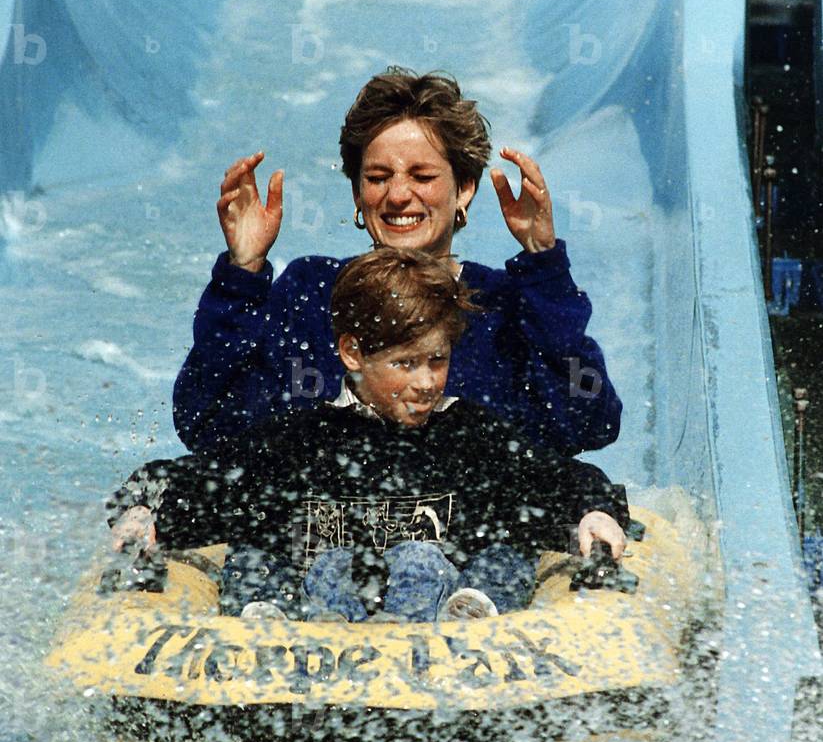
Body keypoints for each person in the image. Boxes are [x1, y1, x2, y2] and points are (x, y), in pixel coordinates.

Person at [112, 248, 629, 623]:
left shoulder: (471, 438)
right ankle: (267, 621)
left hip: (440, 626)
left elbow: (558, 479)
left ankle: (471, 617)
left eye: (438, 360)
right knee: (256, 556)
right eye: (405, 364)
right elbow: (192, 480)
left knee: (492, 555)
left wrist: (595, 510)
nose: (426, 382)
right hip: (316, 625)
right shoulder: (300, 443)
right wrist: (143, 510)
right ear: (353, 354)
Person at [172, 68, 622, 457]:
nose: (398, 195)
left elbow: (589, 422)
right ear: (356, 193)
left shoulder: (500, 307)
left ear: (464, 188)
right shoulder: (311, 294)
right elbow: (206, 423)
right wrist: (242, 273)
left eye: (423, 177)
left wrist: (544, 267)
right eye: (377, 177)